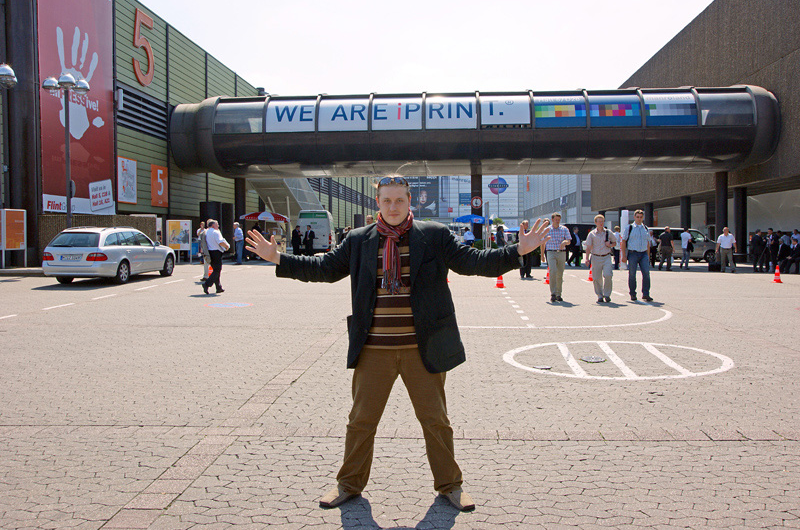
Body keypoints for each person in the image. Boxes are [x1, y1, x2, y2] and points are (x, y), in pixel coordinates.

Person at [245, 174, 551, 512]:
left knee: (436, 421)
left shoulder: (433, 236)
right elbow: (324, 268)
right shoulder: (359, 240)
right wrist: (279, 259)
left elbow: (473, 262)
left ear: (410, 202)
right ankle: (349, 484)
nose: (393, 207)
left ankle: (450, 485)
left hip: (422, 349)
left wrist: (517, 251)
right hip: (373, 350)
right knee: (361, 421)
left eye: (399, 200)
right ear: (377, 202)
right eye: (387, 200)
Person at [620, 209, 654, 302]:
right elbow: (623, 241)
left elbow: (648, 242)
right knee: (632, 274)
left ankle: (646, 294)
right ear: (634, 217)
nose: (639, 219)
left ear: (643, 218)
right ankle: (633, 293)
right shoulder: (630, 228)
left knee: (646, 274)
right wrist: (623, 255)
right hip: (633, 253)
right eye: (637, 217)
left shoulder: (645, 228)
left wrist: (648, 256)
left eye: (641, 217)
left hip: (643, 253)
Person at [585, 214, 616, 303]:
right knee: (596, 277)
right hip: (596, 257)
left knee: (608, 274)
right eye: (599, 221)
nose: (601, 223)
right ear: (596, 223)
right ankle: (599, 295)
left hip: (606, 256)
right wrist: (587, 258)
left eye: (602, 221)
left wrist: (610, 245)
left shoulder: (608, 232)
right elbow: (588, 246)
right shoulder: (592, 234)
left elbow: (615, 242)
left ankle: (607, 294)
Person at [543, 212, 571, 303]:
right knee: (553, 271)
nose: (557, 221)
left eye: (558, 220)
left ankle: (559, 294)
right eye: (556, 220)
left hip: (561, 253)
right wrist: (542, 255)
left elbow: (569, 240)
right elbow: (542, 242)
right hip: (551, 252)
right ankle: (553, 293)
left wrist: (565, 242)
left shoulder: (564, 229)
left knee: (560, 274)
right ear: (552, 220)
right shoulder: (547, 230)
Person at [202, 219, 230, 294]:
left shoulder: (206, 232)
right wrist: (227, 246)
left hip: (210, 252)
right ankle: (206, 284)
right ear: (213, 225)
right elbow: (220, 242)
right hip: (216, 252)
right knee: (217, 270)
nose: (218, 226)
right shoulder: (215, 232)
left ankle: (218, 287)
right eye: (217, 224)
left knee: (215, 270)